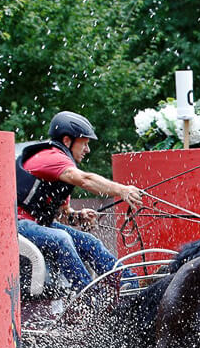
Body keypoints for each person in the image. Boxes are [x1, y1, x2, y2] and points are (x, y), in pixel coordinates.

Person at [16, 111, 143, 295]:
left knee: (90, 242)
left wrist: (78, 216)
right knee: (61, 238)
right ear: (67, 141)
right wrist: (122, 190)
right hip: (17, 226)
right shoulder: (51, 157)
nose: (87, 150)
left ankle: (130, 285)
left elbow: (63, 214)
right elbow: (85, 180)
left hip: (39, 224)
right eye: (84, 143)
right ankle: (90, 297)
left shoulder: (62, 169)